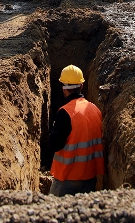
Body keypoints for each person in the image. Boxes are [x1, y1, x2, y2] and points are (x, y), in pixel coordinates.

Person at [48, 65, 105, 196]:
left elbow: (55, 144)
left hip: (67, 178)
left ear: (64, 88)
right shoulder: (94, 109)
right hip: (90, 177)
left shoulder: (65, 113)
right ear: (82, 86)